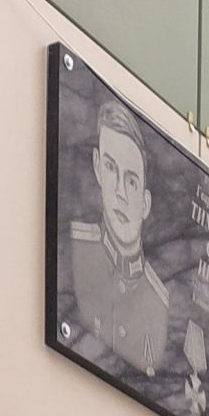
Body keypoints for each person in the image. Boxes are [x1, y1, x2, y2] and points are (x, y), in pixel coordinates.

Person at [70, 96, 171, 374]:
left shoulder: (160, 303)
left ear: (146, 204)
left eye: (132, 180)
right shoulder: (75, 252)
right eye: (111, 169)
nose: (120, 193)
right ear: (97, 168)